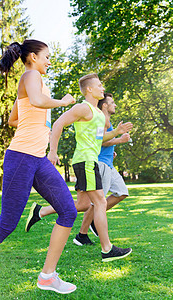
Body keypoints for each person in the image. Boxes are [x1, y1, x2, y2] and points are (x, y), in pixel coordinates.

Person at [0, 39, 78, 299]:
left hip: (38, 158)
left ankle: (47, 276)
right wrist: (62, 101)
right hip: (21, 157)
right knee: (7, 223)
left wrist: (35, 114)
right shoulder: (31, 75)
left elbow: (13, 119)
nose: (49, 61)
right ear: (32, 57)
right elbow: (36, 100)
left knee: (68, 210)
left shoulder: (34, 80)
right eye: (46, 57)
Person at [25, 73, 133, 262]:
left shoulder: (98, 114)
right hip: (86, 161)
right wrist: (53, 151)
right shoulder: (83, 108)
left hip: (89, 160)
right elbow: (58, 124)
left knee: (84, 205)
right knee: (100, 202)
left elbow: (99, 141)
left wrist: (116, 133)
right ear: (89, 89)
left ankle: (39, 211)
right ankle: (107, 249)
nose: (102, 88)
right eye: (99, 85)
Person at [73, 93, 131, 246]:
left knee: (121, 192)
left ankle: (94, 219)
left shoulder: (106, 120)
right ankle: (82, 234)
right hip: (100, 164)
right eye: (112, 102)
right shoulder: (101, 119)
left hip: (108, 163)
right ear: (104, 105)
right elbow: (98, 140)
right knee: (97, 202)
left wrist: (112, 148)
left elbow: (103, 141)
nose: (115, 105)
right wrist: (119, 140)